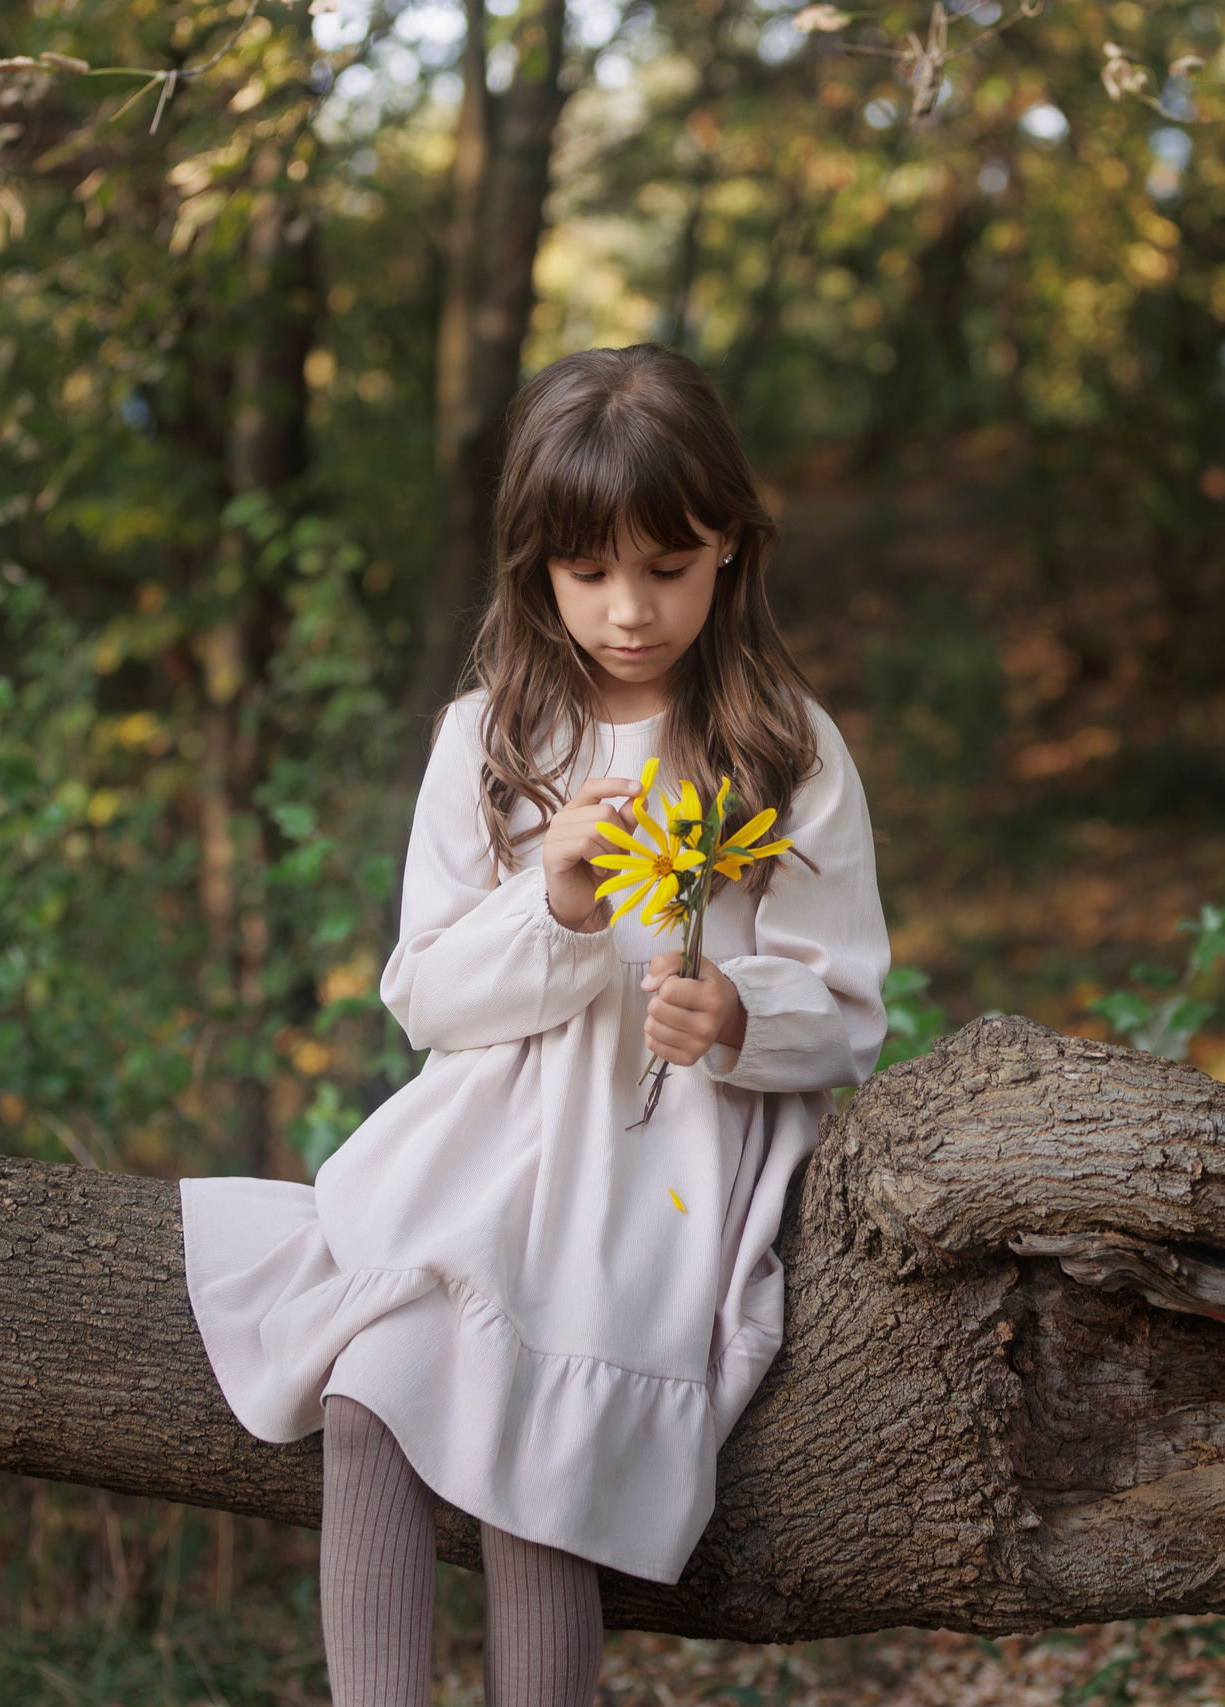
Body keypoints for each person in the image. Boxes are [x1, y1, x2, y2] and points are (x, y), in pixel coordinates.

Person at [180, 343, 891, 1707]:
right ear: (536, 568)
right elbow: (426, 997)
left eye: (668, 568)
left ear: (731, 547)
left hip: (662, 1171)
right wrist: (553, 904)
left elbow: (852, 1004)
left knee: (537, 1460)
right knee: (367, 1391)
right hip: (494, 1144)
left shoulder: (783, 749)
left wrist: (742, 1010)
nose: (630, 610)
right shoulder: (491, 740)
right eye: (591, 573)